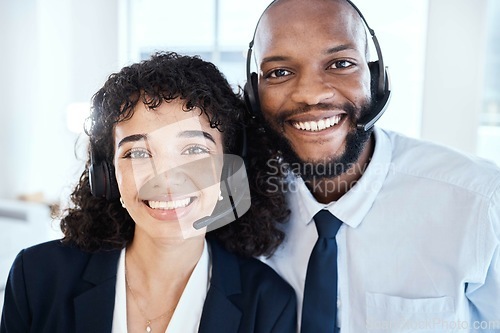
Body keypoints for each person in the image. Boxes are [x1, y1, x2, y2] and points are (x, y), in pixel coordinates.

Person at [240, 0, 500, 332]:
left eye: (340, 63)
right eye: (279, 72)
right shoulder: (241, 201)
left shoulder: (480, 202)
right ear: (254, 93)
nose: (310, 94)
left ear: (375, 76)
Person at [0, 51, 297, 333]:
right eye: (138, 153)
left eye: (194, 150)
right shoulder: (37, 278)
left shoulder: (268, 303)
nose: (166, 179)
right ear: (107, 175)